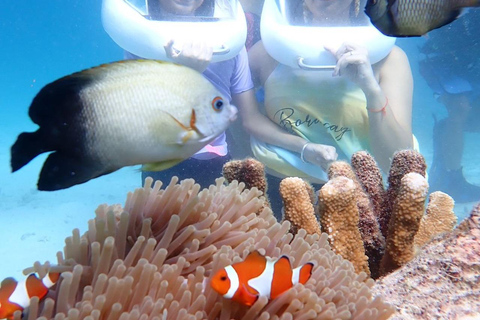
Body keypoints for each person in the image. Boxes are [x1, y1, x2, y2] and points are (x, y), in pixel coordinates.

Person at [240, 0, 415, 213]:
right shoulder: (266, 53)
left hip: (360, 192)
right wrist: (303, 148)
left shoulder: (390, 60)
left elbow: (398, 159)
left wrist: (370, 89)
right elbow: (238, 119)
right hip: (276, 185)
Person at [112, 0, 259, 189]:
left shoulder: (231, 44)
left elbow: (251, 119)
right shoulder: (140, 43)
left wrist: (302, 148)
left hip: (217, 160)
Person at [419, 11, 480, 203]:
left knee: (464, 114)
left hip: (466, 53)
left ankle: (446, 172)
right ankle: (450, 179)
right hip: (451, 53)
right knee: (459, 110)